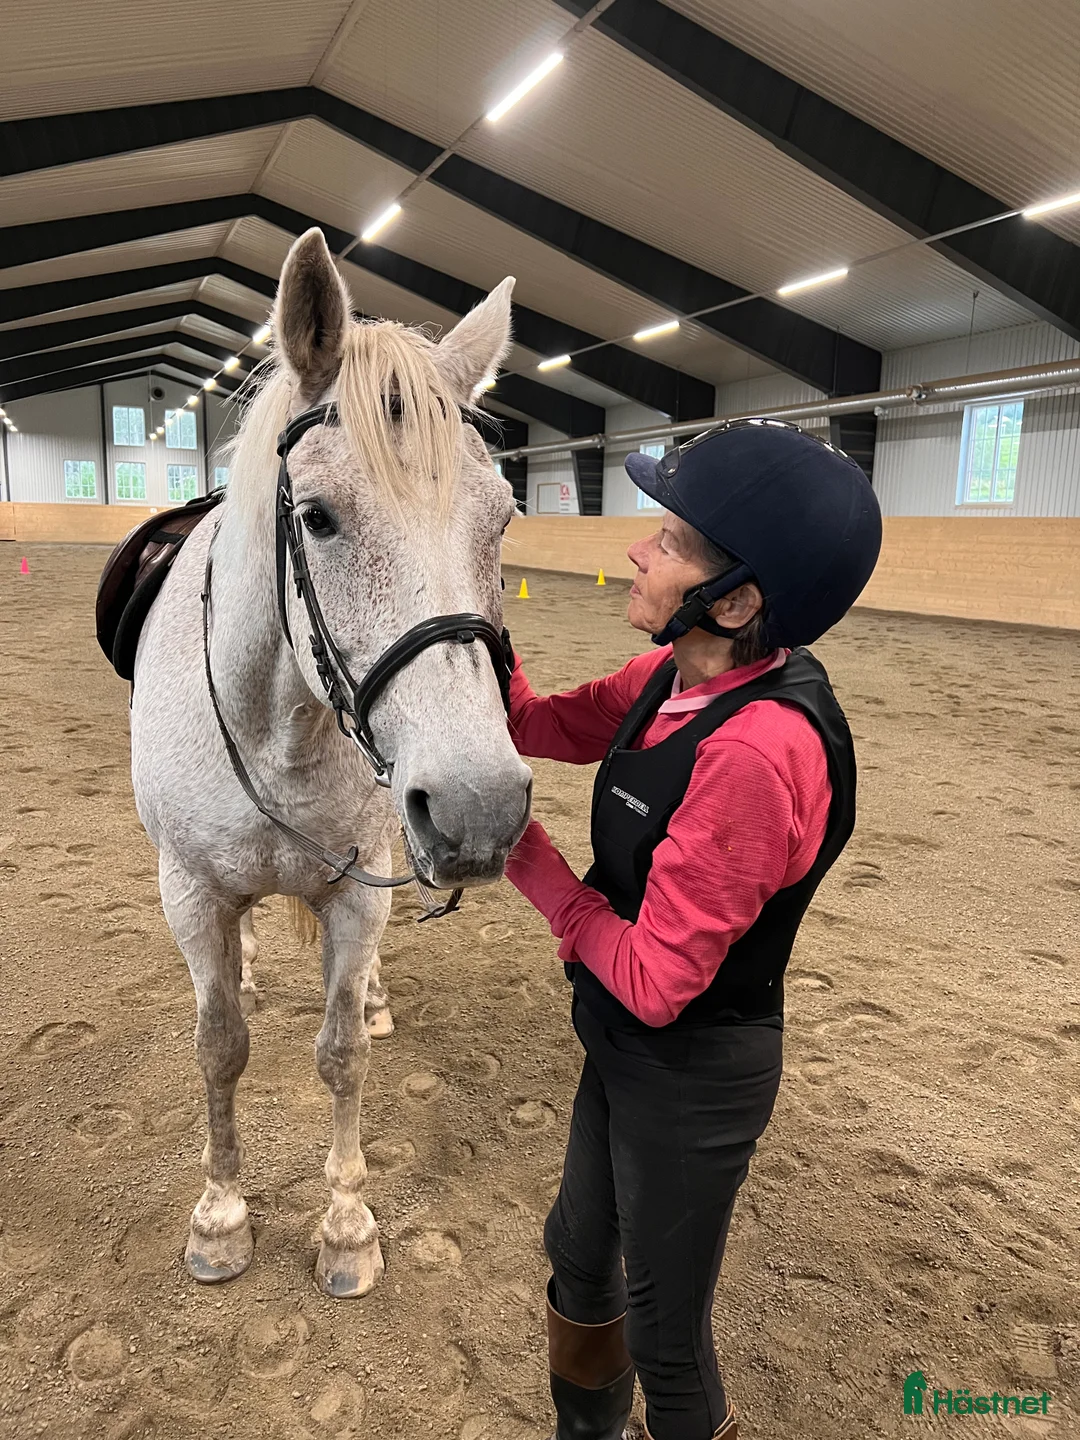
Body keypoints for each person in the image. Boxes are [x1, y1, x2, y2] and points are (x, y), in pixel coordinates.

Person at [501, 419, 882, 1440]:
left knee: (669, 1337)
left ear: (740, 599)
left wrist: (530, 862)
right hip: (625, 1048)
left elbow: (660, 978)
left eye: (668, 541)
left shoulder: (757, 753)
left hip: (693, 1067)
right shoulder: (677, 679)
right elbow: (548, 723)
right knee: (579, 1256)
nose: (636, 549)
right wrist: (475, 644)